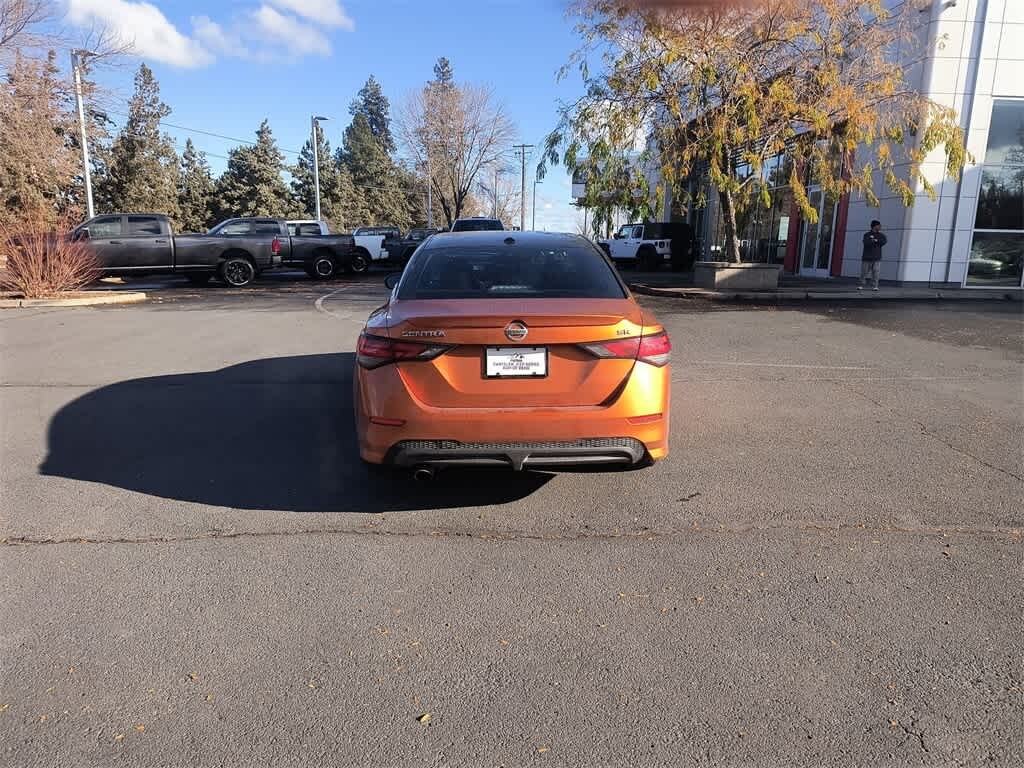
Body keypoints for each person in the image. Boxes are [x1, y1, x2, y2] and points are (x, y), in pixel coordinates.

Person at [860, 220, 887, 291]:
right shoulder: (867, 234)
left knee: (876, 272)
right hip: (867, 257)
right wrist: (873, 241)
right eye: (879, 225)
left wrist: (876, 240)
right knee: (864, 272)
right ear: (875, 226)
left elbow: (883, 242)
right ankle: (861, 285)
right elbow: (866, 243)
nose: (880, 227)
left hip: (877, 257)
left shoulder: (881, 235)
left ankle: (875, 286)